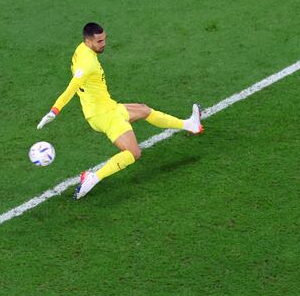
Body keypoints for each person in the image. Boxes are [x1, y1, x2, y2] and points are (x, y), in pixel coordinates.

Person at [36, 22, 203, 199]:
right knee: (133, 153)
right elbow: (72, 87)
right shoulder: (87, 63)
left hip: (106, 108)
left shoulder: (81, 50)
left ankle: (191, 125)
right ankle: (93, 178)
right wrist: (54, 111)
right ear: (88, 40)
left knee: (144, 110)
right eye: (99, 41)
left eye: (104, 39)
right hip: (105, 115)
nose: (103, 44)